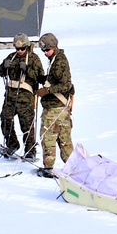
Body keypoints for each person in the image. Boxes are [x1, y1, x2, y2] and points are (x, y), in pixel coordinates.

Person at [0, 35, 44, 158]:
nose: (20, 51)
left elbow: (40, 77)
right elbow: (0, 72)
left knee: (26, 125)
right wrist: (3, 67)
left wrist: (27, 69)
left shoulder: (34, 58)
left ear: (27, 47)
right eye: (17, 49)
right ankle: (12, 144)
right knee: (5, 120)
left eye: (22, 49)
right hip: (10, 96)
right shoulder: (11, 57)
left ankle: (30, 151)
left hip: (25, 97)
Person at [36, 32, 74, 177]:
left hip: (55, 108)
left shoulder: (59, 61)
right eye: (43, 51)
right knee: (64, 139)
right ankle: (72, 167)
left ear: (54, 46)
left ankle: (48, 168)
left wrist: (47, 91)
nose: (45, 53)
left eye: (47, 50)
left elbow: (65, 85)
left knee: (48, 137)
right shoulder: (56, 59)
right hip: (62, 108)